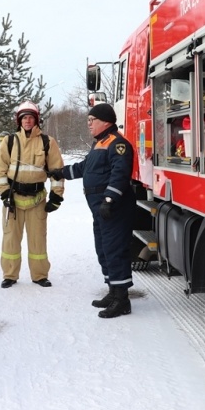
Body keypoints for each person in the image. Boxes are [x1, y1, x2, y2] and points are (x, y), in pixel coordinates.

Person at [47, 103, 135, 318]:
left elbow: (120, 174)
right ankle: (113, 291)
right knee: (103, 249)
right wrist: (60, 172)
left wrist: (109, 199)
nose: (89, 124)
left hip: (113, 208)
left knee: (114, 250)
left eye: (91, 120)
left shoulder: (118, 144)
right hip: (100, 209)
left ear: (105, 121)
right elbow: (84, 168)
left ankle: (122, 299)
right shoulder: (99, 144)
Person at [0, 101, 64, 288]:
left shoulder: (48, 143)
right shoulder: (9, 142)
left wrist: (56, 197)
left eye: (31, 117)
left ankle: (40, 275)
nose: (28, 121)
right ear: (19, 121)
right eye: (24, 117)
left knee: (38, 240)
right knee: (10, 240)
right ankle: (9, 275)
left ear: (36, 120)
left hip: (37, 200)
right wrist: (5, 193)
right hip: (13, 201)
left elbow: (57, 172)